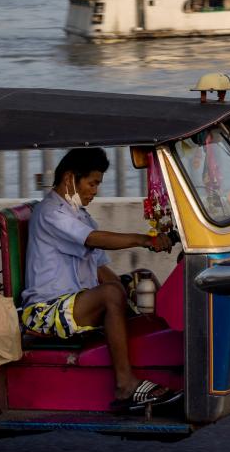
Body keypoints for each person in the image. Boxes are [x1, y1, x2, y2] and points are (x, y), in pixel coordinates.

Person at [21, 147, 180, 413]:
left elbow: (100, 267)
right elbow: (93, 240)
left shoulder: (80, 215)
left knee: (140, 278)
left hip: (75, 303)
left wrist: (125, 293)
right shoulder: (51, 212)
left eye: (97, 184)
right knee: (110, 295)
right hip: (46, 312)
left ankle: (157, 355)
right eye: (91, 183)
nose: (95, 191)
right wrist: (144, 240)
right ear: (70, 178)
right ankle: (125, 384)